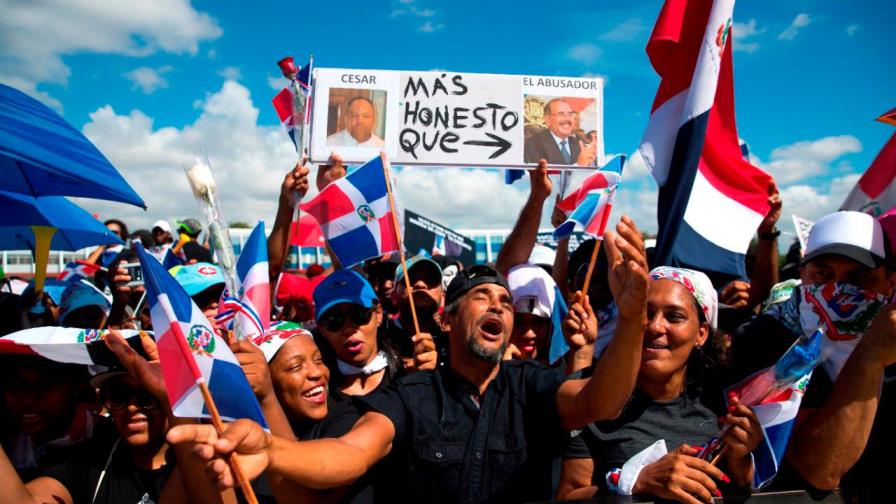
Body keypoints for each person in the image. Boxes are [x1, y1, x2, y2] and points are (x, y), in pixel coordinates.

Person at [166, 215, 649, 503]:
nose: (499, 307)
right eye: (482, 298)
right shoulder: (410, 396)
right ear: (446, 321)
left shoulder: (534, 385)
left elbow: (599, 402)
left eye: (505, 301)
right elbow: (350, 453)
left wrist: (630, 320)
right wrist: (275, 452)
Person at [557, 267, 762, 502]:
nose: (655, 327)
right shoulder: (590, 396)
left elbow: (743, 490)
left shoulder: (724, 406)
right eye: (646, 313)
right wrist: (636, 482)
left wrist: (740, 461)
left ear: (701, 334)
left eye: (674, 316)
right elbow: (568, 496)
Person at [729, 210, 896, 497]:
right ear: (802, 275)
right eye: (823, 274)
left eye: (859, 278)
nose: (839, 290)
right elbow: (821, 470)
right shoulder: (767, 339)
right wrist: (871, 358)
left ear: (889, 283)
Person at [311, 270, 426, 397]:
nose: (349, 329)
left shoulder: (410, 375)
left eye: (359, 314)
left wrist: (427, 378)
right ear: (322, 329)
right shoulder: (317, 393)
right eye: (334, 320)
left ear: (378, 314)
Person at [0, 356, 102, 481]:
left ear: (76, 385)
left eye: (45, 385)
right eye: (16, 385)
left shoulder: (110, 443)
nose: (28, 400)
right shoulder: (6, 441)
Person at [382, 255, 445, 364]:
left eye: (431, 280)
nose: (420, 285)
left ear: (443, 298)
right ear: (394, 297)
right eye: (409, 280)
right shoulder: (380, 338)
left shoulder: (453, 340)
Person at [524, 98, 596, 166]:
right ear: (547, 119)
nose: (567, 119)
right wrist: (579, 165)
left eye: (569, 114)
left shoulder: (579, 144)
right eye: (561, 114)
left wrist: (591, 163)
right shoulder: (534, 144)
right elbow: (542, 176)